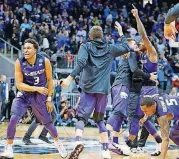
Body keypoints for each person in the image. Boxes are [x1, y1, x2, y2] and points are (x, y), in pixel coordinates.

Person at [61, 23, 130, 159]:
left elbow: (80, 63)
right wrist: (121, 33)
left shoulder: (85, 46)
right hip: (103, 92)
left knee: (81, 118)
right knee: (99, 121)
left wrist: (69, 78)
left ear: (90, 36)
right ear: (102, 36)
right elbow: (126, 47)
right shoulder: (110, 48)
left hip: (88, 89)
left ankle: (78, 141)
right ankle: (105, 151)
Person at [0, 39, 68, 158]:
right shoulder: (19, 62)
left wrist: (49, 99)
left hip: (40, 96)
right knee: (13, 118)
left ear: (35, 50)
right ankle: (9, 149)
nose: (25, 50)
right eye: (24, 48)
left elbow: (50, 80)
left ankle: (58, 144)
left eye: (28, 48)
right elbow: (19, 84)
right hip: (25, 95)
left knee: (47, 123)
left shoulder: (45, 61)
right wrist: (36, 88)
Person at [122, 5, 161, 156]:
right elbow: (130, 51)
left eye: (141, 42)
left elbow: (143, 35)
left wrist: (137, 17)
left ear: (147, 43)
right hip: (142, 89)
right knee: (140, 118)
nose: (139, 43)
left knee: (142, 118)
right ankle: (133, 143)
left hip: (150, 89)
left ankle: (133, 142)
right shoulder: (140, 55)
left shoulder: (152, 54)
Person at [106, 38, 157, 154]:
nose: (137, 45)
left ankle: (115, 142)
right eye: (135, 43)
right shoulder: (132, 54)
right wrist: (149, 76)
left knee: (121, 115)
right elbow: (135, 70)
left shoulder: (132, 56)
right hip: (125, 87)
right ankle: (107, 140)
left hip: (125, 88)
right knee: (123, 115)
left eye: (138, 43)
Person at [140, 94, 179, 159]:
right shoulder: (153, 98)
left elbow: (165, 139)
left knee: (168, 136)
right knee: (173, 134)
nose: (145, 113)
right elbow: (147, 109)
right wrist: (144, 118)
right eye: (143, 111)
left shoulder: (162, 116)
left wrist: (161, 157)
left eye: (145, 111)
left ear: (152, 107)